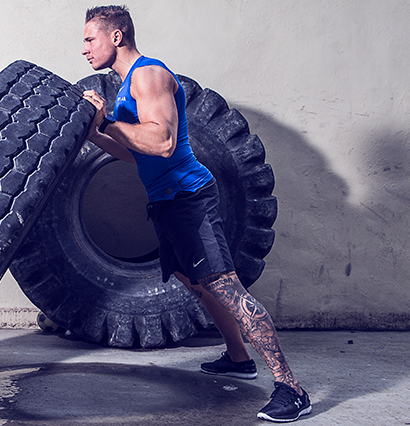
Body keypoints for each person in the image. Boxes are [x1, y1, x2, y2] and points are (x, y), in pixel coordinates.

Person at [80, 5, 311, 422]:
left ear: (116, 37)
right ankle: (239, 358)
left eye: (89, 39)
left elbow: (163, 142)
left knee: (225, 287)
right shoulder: (127, 87)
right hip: (166, 203)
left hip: (189, 200)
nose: (84, 49)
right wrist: (98, 130)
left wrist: (109, 124)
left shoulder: (149, 76)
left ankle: (291, 388)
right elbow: (136, 156)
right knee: (197, 283)